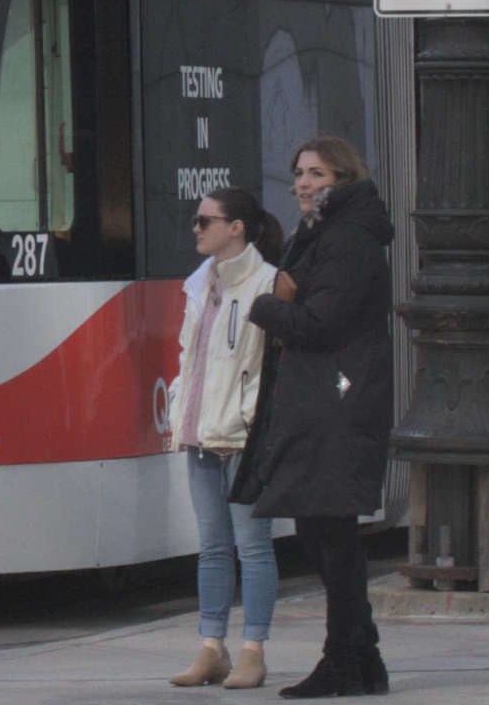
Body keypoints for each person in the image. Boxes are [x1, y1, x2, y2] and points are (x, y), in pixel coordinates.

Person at [240, 136, 395, 698]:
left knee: (331, 534)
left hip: (340, 400)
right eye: (299, 174)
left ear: (343, 179)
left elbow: (322, 322)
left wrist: (262, 306)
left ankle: (343, 661)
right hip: (325, 398)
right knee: (322, 530)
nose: (304, 184)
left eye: (316, 174)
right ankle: (363, 660)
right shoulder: (323, 234)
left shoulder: (347, 240)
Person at [167, 186, 285, 690]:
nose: (196, 229)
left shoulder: (267, 282)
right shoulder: (200, 283)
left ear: (236, 227)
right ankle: (212, 648)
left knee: (253, 547)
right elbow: (189, 360)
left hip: (244, 435)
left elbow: (271, 363)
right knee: (213, 547)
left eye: (205, 221)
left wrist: (253, 416)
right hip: (199, 432)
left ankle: (253, 651)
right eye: (197, 221)